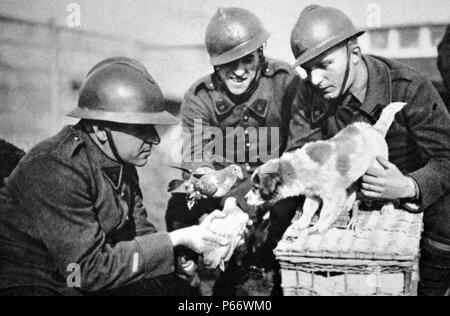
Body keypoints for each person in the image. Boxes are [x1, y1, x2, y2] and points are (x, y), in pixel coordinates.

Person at [0, 57, 240, 296]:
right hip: (34, 280)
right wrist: (174, 239)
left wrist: (183, 250)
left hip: (81, 277)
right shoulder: (57, 169)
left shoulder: (119, 162)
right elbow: (84, 271)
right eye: (140, 127)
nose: (155, 139)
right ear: (99, 129)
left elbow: (138, 235)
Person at [287, 5, 450, 296]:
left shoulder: (409, 88)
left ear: (355, 54)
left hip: (406, 200)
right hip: (342, 196)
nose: (315, 79)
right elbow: (300, 155)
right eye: (308, 69)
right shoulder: (308, 94)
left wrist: (409, 186)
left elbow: (447, 157)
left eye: (324, 64)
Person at [165, 7, 302, 295]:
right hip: (220, 191)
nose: (239, 71)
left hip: (274, 185)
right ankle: (191, 277)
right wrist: (216, 208)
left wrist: (245, 205)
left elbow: (298, 146)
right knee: (179, 205)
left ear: (261, 56)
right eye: (229, 63)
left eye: (248, 60)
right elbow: (197, 160)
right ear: (215, 64)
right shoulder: (199, 97)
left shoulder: (285, 82)